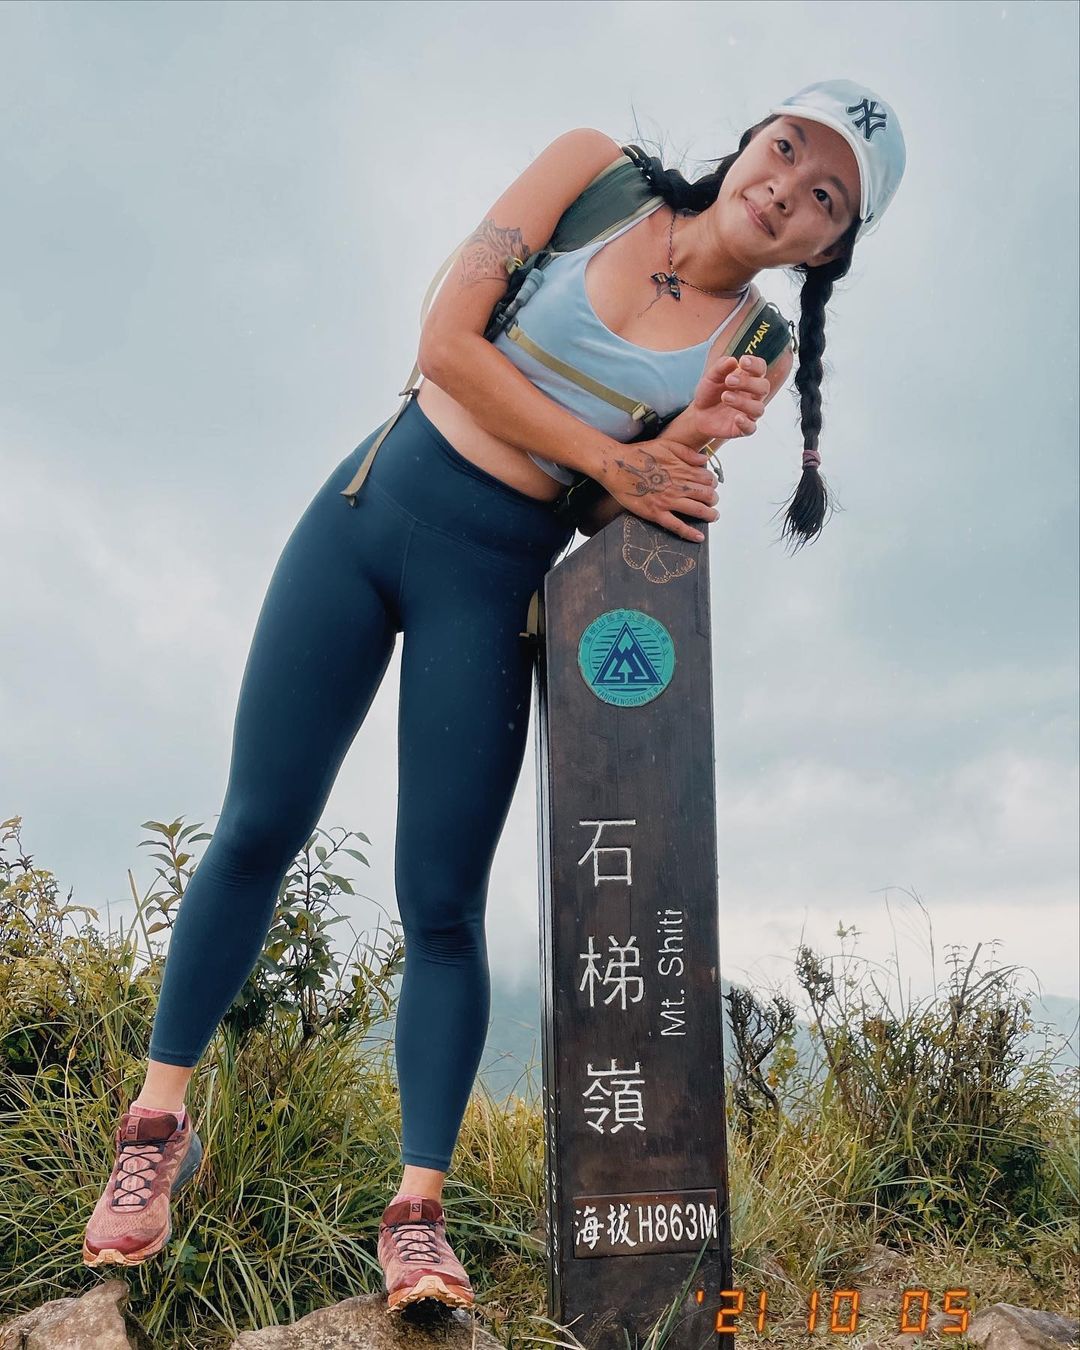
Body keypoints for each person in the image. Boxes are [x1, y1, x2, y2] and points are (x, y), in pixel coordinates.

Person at [82, 79, 906, 1311]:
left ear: (830, 245)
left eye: (826, 196)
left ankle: (417, 1213)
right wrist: (615, 451)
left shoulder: (755, 351)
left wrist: (691, 445)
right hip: (365, 517)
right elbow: (444, 347)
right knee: (257, 826)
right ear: (753, 140)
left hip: (494, 587)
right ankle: (156, 1130)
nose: (787, 187)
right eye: (786, 148)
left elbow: (624, 506)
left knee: (443, 904)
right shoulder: (591, 172)